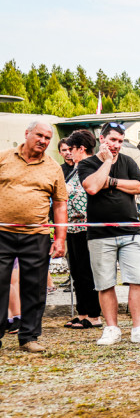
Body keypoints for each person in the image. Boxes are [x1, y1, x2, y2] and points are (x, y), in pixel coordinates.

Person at [79, 123, 140, 346]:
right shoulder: (87, 163)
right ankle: (112, 328)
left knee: (137, 280)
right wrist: (106, 162)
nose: (116, 145)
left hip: (130, 231)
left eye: (120, 141)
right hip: (99, 234)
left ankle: (138, 328)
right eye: (112, 140)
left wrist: (112, 182)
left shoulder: (128, 162)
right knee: (105, 283)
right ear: (102, 139)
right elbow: (93, 187)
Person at [0, 121, 68, 353]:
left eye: (48, 138)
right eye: (39, 135)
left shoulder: (53, 167)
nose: (43, 141)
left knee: (35, 287)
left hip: (36, 235)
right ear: (27, 134)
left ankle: (29, 337)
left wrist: (60, 238)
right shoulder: (4, 158)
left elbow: (60, 204)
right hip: (2, 233)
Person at [61, 129, 102, 330]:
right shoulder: (74, 169)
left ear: (81, 149)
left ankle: (94, 315)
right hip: (72, 228)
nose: (69, 153)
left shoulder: (91, 167)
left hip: (87, 227)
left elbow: (84, 197)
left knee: (88, 273)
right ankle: (82, 312)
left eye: (72, 149)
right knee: (77, 273)